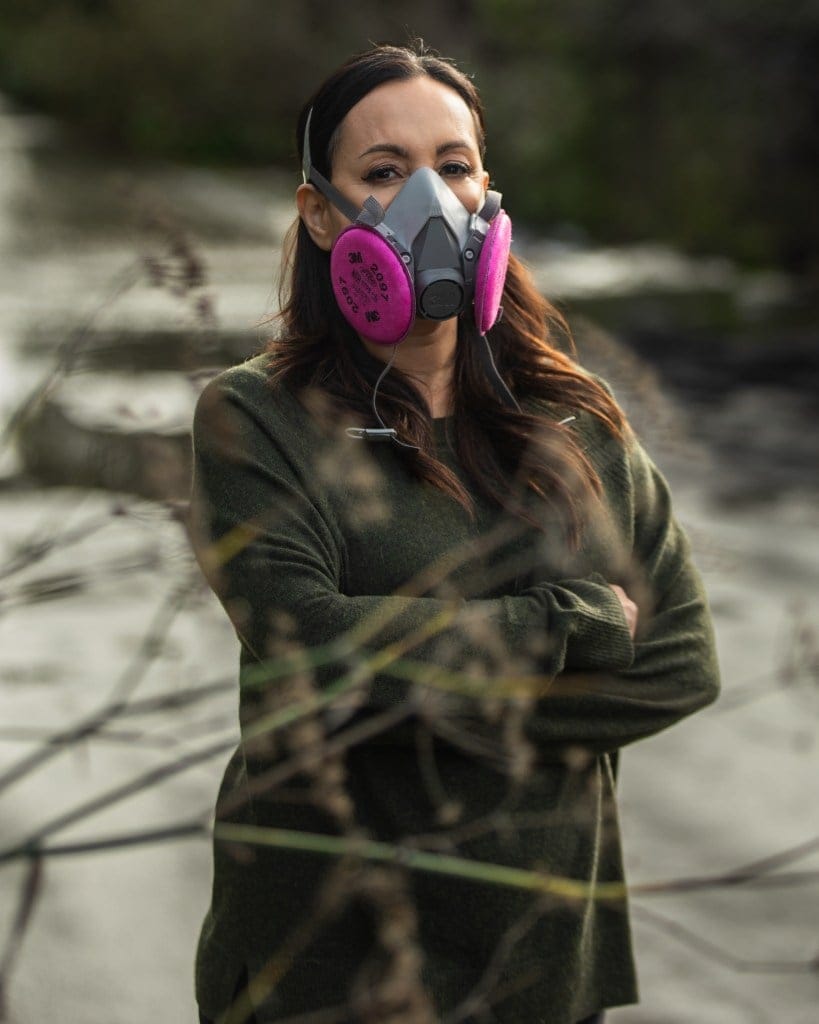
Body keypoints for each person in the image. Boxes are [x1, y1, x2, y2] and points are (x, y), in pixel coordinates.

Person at [190, 42, 720, 1024]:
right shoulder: (256, 416)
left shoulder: (574, 419)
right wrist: (572, 627)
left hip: (539, 964)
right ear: (321, 212)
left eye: (454, 165)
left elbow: (681, 663)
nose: (430, 199)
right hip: (321, 964)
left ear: (488, 195)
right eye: (385, 173)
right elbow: (301, 642)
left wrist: (392, 700)